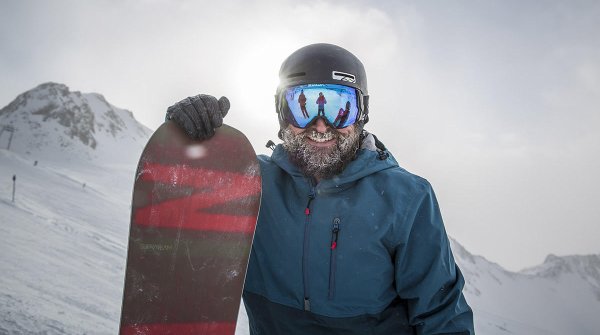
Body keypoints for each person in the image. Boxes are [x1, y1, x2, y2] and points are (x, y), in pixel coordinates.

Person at [165, 43, 474, 334]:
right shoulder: (250, 181)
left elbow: (441, 313)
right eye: (303, 107)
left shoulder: (406, 198)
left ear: (362, 114)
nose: (321, 124)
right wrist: (189, 139)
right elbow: (180, 204)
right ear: (282, 113)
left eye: (341, 107)